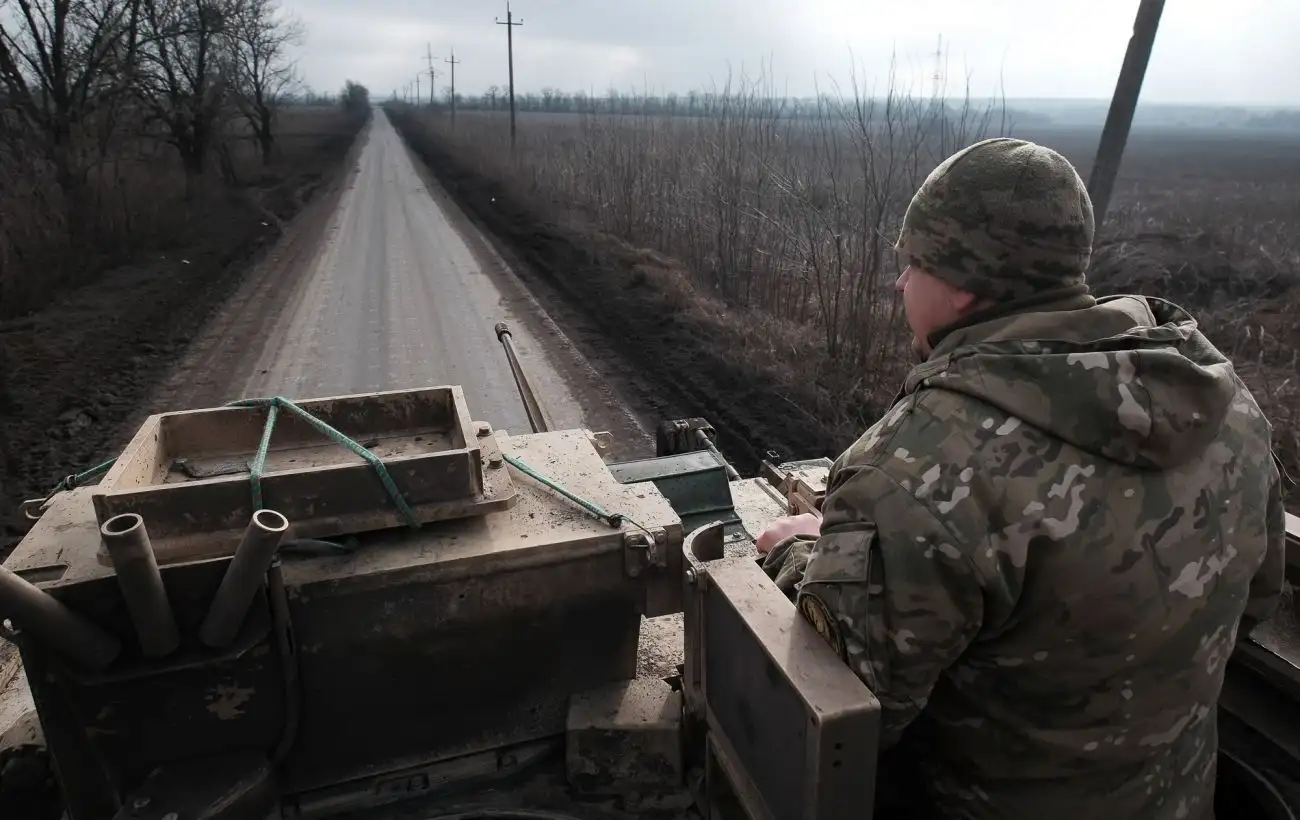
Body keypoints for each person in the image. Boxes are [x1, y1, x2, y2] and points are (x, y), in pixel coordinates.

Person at [758, 137, 1287, 820]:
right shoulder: (1227, 406)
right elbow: (1256, 601)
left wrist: (802, 552)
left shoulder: (912, 471)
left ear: (964, 284)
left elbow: (852, 714)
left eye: (913, 263)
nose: (898, 284)